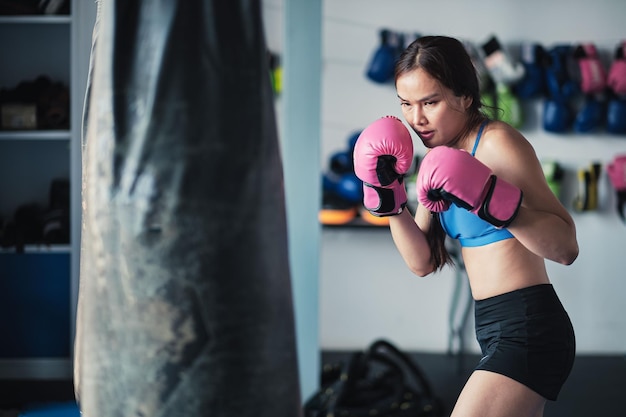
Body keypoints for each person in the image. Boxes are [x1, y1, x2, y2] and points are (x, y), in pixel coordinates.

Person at [353, 35, 579, 417]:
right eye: (406, 104)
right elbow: (421, 262)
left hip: (528, 327)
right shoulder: (438, 160)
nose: (416, 119)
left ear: (465, 97)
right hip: (492, 328)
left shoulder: (497, 144)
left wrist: (492, 200)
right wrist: (389, 201)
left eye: (430, 102)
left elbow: (567, 247)